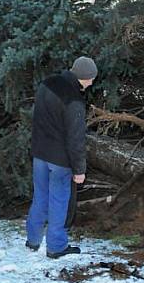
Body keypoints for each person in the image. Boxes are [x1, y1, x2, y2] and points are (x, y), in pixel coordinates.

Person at [25, 56, 97, 258]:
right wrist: (80, 170)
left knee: (40, 197)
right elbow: (76, 139)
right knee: (59, 201)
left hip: (39, 153)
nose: (92, 83)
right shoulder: (74, 99)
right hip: (59, 161)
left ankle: (33, 240)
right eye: (91, 79)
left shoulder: (47, 83)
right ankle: (56, 246)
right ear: (85, 77)